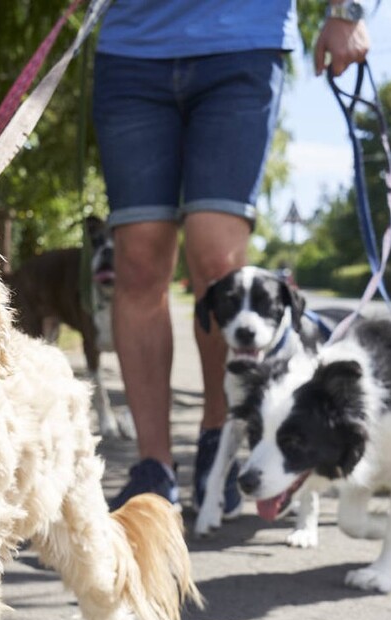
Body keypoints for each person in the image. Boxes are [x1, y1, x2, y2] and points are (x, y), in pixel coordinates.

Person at [94, 0, 371, 511]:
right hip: (130, 51)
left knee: (219, 262)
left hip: (241, 41)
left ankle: (216, 441)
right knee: (137, 262)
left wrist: (345, 10)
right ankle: (153, 469)